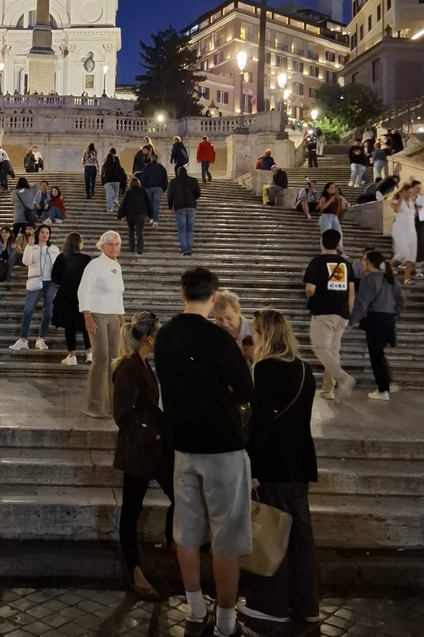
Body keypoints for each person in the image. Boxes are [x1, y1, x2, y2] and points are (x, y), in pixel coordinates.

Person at [154, 268, 254, 637]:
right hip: (223, 447)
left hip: (183, 445)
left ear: (182, 295)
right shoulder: (220, 338)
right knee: (226, 538)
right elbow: (246, 391)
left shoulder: (164, 336)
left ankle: (195, 610)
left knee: (187, 532)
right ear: (213, 298)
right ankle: (227, 623)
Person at [240, 309, 319, 626]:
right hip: (300, 463)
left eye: (256, 332)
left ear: (265, 335)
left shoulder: (263, 371)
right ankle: (307, 604)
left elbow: (261, 426)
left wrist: (252, 467)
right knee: (301, 536)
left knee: (273, 534)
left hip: (273, 464)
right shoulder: (305, 370)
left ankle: (270, 604)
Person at [113, 311, 175, 599]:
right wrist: (154, 433)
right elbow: (123, 414)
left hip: (154, 447)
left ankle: (173, 543)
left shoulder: (142, 363)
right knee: (131, 509)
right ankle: (135, 570)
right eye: (159, 333)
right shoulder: (128, 367)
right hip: (139, 448)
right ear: (149, 338)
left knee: (179, 495)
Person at [304, 229, 356, 400]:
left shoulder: (317, 263)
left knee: (320, 348)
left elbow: (310, 289)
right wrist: (348, 313)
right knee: (333, 351)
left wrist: (310, 295)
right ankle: (328, 389)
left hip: (324, 311)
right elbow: (351, 292)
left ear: (322, 242)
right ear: (338, 243)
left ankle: (343, 378)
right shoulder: (346, 264)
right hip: (342, 312)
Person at [78, 231, 125, 418]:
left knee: (115, 359)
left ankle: (113, 402)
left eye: (117, 244)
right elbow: (83, 291)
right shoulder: (94, 265)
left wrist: (121, 315)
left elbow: (118, 293)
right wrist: (87, 316)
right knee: (102, 357)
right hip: (96, 314)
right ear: (102, 245)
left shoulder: (117, 265)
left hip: (114, 315)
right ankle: (94, 404)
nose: (114, 247)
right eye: (111, 244)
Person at [351, 251, 406, 401]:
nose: (362, 263)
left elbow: (362, 302)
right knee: (380, 353)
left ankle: (383, 390)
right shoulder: (390, 279)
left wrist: (351, 320)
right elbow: (401, 300)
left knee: (375, 355)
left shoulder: (369, 279)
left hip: (375, 318)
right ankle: (388, 382)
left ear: (370, 263)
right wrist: (395, 312)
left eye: (364, 260)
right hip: (388, 318)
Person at [9, 225, 60, 352]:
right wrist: (30, 246)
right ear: (38, 234)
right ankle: (23, 339)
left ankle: (41, 338)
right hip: (35, 281)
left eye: (47, 233)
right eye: (42, 232)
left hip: (51, 282)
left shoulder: (53, 248)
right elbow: (26, 262)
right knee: (28, 310)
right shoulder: (32, 247)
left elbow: (59, 264)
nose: (45, 235)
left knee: (48, 311)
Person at [51, 233, 93, 366]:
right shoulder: (86, 259)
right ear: (80, 243)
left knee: (69, 326)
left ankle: (72, 355)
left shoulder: (62, 258)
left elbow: (54, 277)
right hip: (83, 295)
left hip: (65, 295)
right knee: (86, 324)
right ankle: (89, 353)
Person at [167, 165, 201, 256]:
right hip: (191, 206)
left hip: (179, 207)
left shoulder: (173, 182)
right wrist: (193, 198)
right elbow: (198, 193)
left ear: (178, 173)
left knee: (182, 230)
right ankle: (189, 248)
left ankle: (185, 250)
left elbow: (170, 195)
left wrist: (170, 207)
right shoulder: (193, 180)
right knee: (190, 229)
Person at [213, 290, 255, 362]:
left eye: (229, 318)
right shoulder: (212, 333)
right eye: (219, 319)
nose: (224, 324)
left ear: (238, 312)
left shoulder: (257, 331)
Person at [390, 183, 417, 284]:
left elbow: (413, 215)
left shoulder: (412, 202)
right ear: (403, 192)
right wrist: (401, 198)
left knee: (411, 253)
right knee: (401, 252)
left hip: (411, 229)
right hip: (400, 229)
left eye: (411, 192)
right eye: (408, 192)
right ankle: (388, 268)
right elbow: (396, 210)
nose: (410, 194)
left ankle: (407, 278)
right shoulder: (395, 201)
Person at [117, 176, 152, 255]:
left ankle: (131, 248)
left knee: (131, 231)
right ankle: (140, 250)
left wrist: (121, 216)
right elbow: (149, 203)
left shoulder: (128, 192)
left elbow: (123, 204)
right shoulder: (143, 192)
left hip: (130, 215)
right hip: (141, 215)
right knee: (140, 233)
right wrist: (150, 215)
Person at [317, 183, 345, 254]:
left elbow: (343, 208)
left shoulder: (338, 197)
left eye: (334, 187)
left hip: (334, 216)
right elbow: (322, 207)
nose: (334, 189)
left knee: (339, 233)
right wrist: (330, 200)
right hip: (326, 216)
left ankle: (340, 251)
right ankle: (324, 251)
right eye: (332, 188)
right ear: (327, 189)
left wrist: (340, 199)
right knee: (325, 234)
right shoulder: (324, 197)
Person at [141, 154, 168, 228]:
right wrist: (164, 189)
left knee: (148, 203)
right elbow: (165, 179)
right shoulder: (161, 168)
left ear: (151, 159)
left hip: (149, 187)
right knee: (156, 204)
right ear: (157, 159)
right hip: (159, 188)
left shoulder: (147, 167)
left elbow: (143, 178)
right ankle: (155, 221)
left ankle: (150, 217)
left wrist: (143, 187)